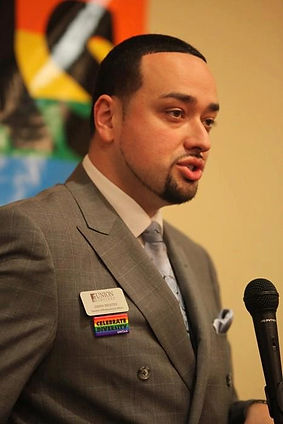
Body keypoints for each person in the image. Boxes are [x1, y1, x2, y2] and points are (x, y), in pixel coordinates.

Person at [0, 34, 272, 424]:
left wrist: (248, 412)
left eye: (208, 121)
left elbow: (194, 400)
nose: (201, 139)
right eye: (176, 113)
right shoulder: (32, 235)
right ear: (108, 118)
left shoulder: (196, 259)